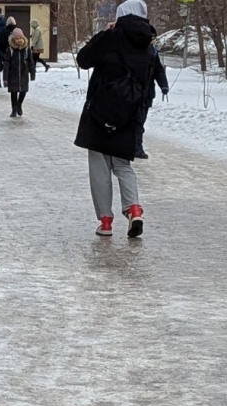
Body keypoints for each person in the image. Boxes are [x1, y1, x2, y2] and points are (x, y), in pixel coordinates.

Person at [74, 0, 154, 238]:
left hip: (99, 111)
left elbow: (83, 59)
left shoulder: (112, 38)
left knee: (99, 166)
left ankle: (106, 221)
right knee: (122, 165)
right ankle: (134, 209)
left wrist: (104, 35)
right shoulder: (147, 45)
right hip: (128, 114)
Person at [136, 44, 169, 159]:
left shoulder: (152, 52)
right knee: (134, 122)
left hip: (146, 94)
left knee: (140, 122)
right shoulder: (129, 48)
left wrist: (163, 85)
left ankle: (136, 147)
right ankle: (134, 147)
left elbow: (158, 70)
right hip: (130, 93)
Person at [3, 27, 36, 117]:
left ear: (22, 37)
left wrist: (32, 73)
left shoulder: (26, 49)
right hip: (13, 74)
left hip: (24, 74)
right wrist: (5, 77)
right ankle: (14, 109)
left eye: (20, 38)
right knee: (14, 92)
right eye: (16, 38)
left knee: (23, 91)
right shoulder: (10, 49)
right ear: (13, 39)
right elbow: (6, 63)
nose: (18, 40)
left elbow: (31, 61)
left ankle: (19, 104)